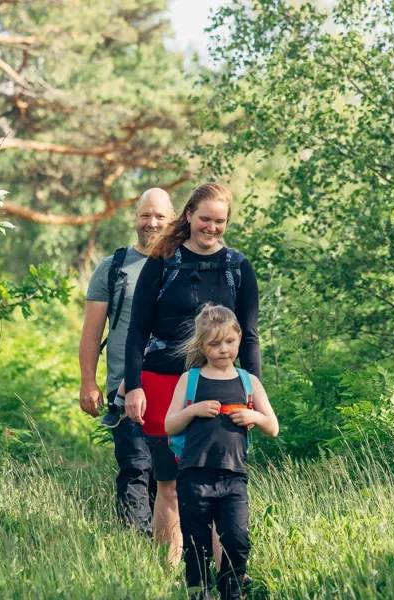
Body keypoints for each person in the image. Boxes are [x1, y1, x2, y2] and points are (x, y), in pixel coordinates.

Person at [121, 182, 262, 565]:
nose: (211, 227)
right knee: (168, 484)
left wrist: (252, 389)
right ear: (188, 215)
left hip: (220, 387)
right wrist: (133, 386)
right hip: (162, 383)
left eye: (219, 221)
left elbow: (249, 337)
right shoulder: (162, 261)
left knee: (218, 483)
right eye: (204, 219)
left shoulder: (238, 267)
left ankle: (225, 572)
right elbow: (137, 331)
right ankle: (169, 571)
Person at [165, 305, 278, 600]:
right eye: (214, 344)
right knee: (196, 540)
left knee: (237, 537)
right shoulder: (190, 379)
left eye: (229, 341)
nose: (223, 350)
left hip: (234, 474)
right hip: (194, 473)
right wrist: (193, 410)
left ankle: (231, 588)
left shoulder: (248, 382)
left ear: (239, 338)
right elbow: (168, 424)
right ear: (202, 345)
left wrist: (254, 417)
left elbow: (273, 426)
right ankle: (199, 591)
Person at [79, 188, 175, 534]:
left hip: (177, 389)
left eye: (160, 216)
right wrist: (88, 381)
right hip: (125, 388)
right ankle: (138, 546)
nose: (151, 223)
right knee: (135, 467)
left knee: (167, 476)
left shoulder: (184, 264)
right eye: (145, 215)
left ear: (174, 219)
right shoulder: (113, 267)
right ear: (134, 218)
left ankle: (168, 549)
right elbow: (92, 330)